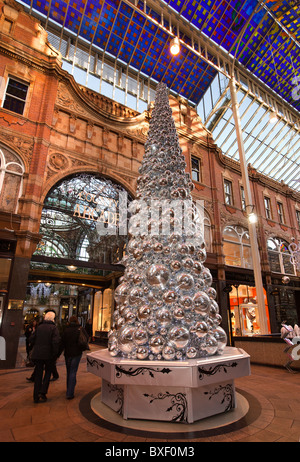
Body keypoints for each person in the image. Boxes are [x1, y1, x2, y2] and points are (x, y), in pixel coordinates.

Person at [29, 311, 61, 403]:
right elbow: (55, 342)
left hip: (38, 354)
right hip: (49, 355)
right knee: (47, 373)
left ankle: (35, 395)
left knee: (38, 374)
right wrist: (55, 354)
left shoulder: (39, 327)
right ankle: (42, 392)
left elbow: (31, 338)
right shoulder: (53, 328)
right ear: (53, 319)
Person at [61, 316, 88, 400]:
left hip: (68, 353)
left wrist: (58, 354)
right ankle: (70, 392)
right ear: (77, 321)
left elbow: (62, 342)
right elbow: (86, 338)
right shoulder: (80, 329)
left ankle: (69, 389)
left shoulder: (66, 330)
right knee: (73, 371)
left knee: (69, 371)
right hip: (76, 353)